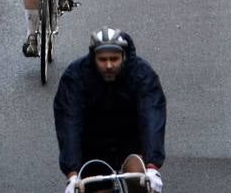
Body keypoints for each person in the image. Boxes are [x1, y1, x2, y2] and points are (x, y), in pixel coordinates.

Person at [54, 27, 166, 193]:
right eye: (102, 59)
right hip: (93, 146)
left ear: (124, 56)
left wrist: (152, 166)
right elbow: (69, 122)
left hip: (131, 141)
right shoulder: (75, 77)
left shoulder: (142, 74)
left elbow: (152, 117)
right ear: (94, 58)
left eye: (114, 59)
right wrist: (72, 173)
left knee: (140, 180)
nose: (108, 65)